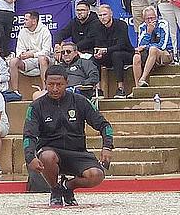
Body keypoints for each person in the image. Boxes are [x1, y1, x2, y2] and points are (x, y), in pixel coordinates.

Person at [24, 65, 114, 206]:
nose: (54, 89)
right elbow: (29, 135)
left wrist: (107, 147)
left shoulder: (80, 101)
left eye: (59, 85)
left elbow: (105, 125)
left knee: (97, 175)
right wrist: (30, 157)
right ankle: (55, 190)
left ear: (66, 83)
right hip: (50, 152)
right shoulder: (36, 106)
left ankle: (67, 186)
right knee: (47, 156)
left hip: (77, 153)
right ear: (45, 83)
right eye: (50, 84)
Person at [92, 4, 133, 98]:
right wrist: (98, 53)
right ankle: (98, 89)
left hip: (126, 54)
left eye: (105, 14)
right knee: (94, 58)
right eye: (100, 15)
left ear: (111, 14)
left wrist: (105, 50)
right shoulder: (96, 27)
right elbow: (98, 44)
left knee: (116, 55)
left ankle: (120, 89)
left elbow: (121, 45)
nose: (102, 17)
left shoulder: (121, 25)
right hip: (108, 55)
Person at [8, 10, 53, 94]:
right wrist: (21, 55)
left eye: (26, 20)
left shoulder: (45, 31)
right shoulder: (22, 31)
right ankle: (15, 92)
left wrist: (32, 54)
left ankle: (45, 90)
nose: (24, 22)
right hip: (28, 61)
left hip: (44, 59)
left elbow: (46, 51)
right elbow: (19, 50)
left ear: (34, 21)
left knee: (42, 59)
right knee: (13, 61)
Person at [132, 5, 172, 88]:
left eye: (152, 18)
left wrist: (147, 47)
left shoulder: (163, 24)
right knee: (136, 56)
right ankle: (138, 87)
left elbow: (162, 45)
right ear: (144, 19)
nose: (150, 21)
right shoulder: (142, 27)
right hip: (148, 54)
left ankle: (143, 78)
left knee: (153, 49)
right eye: (147, 19)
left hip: (165, 54)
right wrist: (148, 33)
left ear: (156, 17)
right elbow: (140, 46)